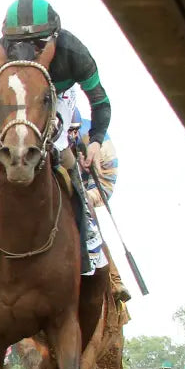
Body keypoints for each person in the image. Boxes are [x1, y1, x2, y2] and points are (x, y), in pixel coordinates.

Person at [0, 0, 111, 277]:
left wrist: (96, 140)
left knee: (64, 156)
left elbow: (100, 101)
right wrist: (0, 135)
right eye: (18, 43)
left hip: (57, 100)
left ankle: (86, 235)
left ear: (54, 35)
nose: (27, 50)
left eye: (38, 43)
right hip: (12, 109)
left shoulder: (73, 51)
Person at [66, 107, 130, 305]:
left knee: (84, 210)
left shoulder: (95, 140)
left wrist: (84, 195)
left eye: (73, 131)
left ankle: (113, 278)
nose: (69, 136)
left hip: (95, 184)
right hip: (62, 181)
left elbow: (106, 179)